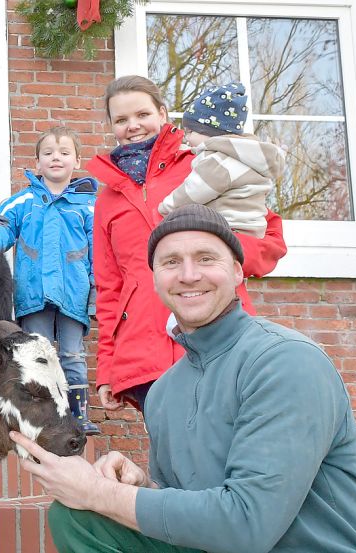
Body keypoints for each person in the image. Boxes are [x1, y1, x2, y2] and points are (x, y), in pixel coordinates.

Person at [12, 204, 356, 552]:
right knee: (79, 520)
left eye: (206, 258)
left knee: (94, 503)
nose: (188, 275)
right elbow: (191, 505)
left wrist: (98, 492)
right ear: (155, 278)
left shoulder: (284, 361)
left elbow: (247, 525)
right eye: (171, 262)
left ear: (237, 271)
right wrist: (144, 486)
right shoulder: (164, 392)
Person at [86, 75, 287, 412]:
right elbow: (109, 288)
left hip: (219, 338)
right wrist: (106, 367)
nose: (133, 126)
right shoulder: (107, 199)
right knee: (171, 445)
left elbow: (269, 237)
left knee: (228, 439)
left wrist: (225, 255)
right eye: (121, 119)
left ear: (163, 114)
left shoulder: (203, 164)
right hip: (144, 353)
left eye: (142, 114)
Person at [0, 126, 100, 435]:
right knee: (38, 355)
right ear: (37, 162)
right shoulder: (23, 202)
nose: (55, 158)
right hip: (33, 295)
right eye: (48, 153)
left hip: (73, 294)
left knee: (72, 355)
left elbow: (98, 252)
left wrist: (96, 293)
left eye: (64, 152)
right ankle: (45, 417)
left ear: (77, 161)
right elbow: (1, 229)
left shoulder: (89, 206)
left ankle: (78, 415)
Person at [158, 81, 285, 238]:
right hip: (253, 229)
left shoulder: (219, 161)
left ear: (210, 132)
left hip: (229, 228)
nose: (187, 137)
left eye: (190, 131)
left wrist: (165, 207)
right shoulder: (244, 155)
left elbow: (193, 192)